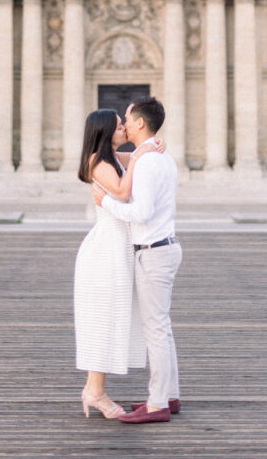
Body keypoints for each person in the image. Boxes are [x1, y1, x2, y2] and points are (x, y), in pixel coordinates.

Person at [92, 96, 181, 424]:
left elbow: (140, 212)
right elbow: (109, 157)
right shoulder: (156, 156)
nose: (124, 125)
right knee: (163, 328)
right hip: (164, 247)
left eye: (127, 119)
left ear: (140, 123)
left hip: (153, 251)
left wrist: (106, 203)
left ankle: (157, 403)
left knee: (155, 330)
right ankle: (169, 395)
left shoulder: (148, 160)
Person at [74, 108, 162, 419]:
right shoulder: (97, 163)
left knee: (111, 318)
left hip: (117, 247)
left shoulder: (112, 159)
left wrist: (149, 148)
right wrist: (140, 155)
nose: (125, 128)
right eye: (119, 125)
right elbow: (124, 194)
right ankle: (94, 391)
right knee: (103, 318)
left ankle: (93, 389)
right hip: (105, 250)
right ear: (105, 132)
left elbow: (140, 160)